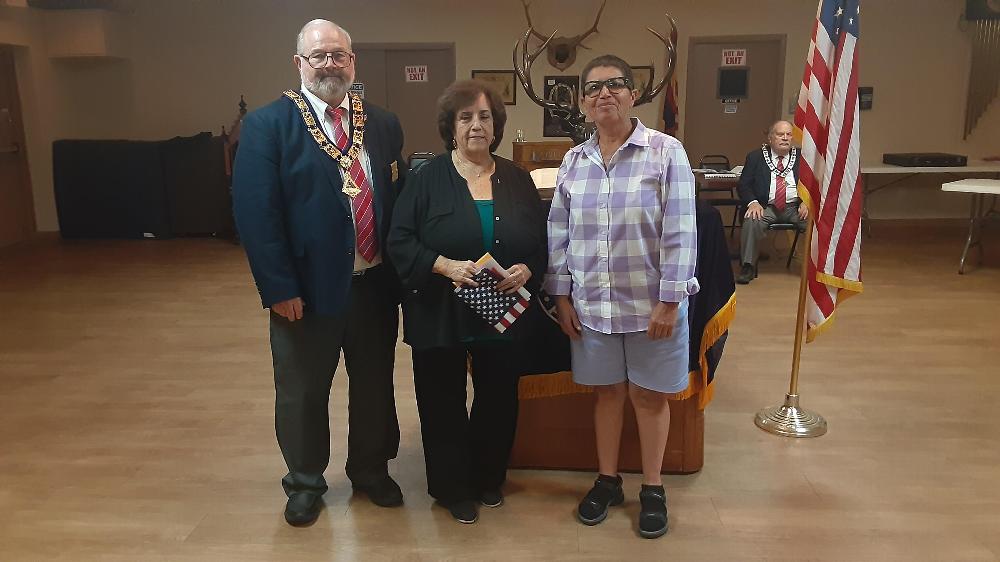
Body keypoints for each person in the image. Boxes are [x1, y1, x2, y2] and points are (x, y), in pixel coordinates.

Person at [232, 19, 407, 526]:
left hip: (373, 284)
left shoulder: (382, 122)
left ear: (353, 61)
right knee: (304, 389)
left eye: (339, 55)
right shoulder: (268, 127)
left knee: (374, 384)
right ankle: (305, 480)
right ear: (299, 64)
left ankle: (371, 470)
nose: (330, 64)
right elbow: (256, 215)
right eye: (319, 56)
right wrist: (279, 287)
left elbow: (394, 198)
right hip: (304, 292)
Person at [545, 55, 698, 540]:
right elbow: (558, 235)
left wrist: (670, 300)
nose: (604, 94)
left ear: (633, 94)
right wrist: (561, 295)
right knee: (608, 393)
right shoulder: (574, 161)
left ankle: (652, 487)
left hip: (652, 307)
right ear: (584, 103)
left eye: (615, 85)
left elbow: (680, 230)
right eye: (593, 88)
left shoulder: (665, 152)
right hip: (593, 307)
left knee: (649, 396)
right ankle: (608, 480)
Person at [388, 80, 547, 525]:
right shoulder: (423, 180)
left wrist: (527, 270)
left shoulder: (518, 179)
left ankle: (486, 478)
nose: (476, 125)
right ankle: (452, 487)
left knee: (498, 399)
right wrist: (442, 264)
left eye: (484, 117)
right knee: (442, 401)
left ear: (496, 126)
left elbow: (540, 242)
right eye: (466, 118)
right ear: (450, 127)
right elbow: (399, 241)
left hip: (503, 312)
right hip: (440, 311)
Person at [735, 120, 808, 284]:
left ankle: (819, 268)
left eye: (788, 134)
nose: (785, 138)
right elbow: (743, 185)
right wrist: (752, 202)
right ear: (770, 138)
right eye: (780, 134)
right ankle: (748, 266)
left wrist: (807, 202)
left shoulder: (802, 157)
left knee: (817, 223)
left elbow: (812, 184)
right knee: (751, 219)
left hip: (794, 208)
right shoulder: (756, 157)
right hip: (765, 207)